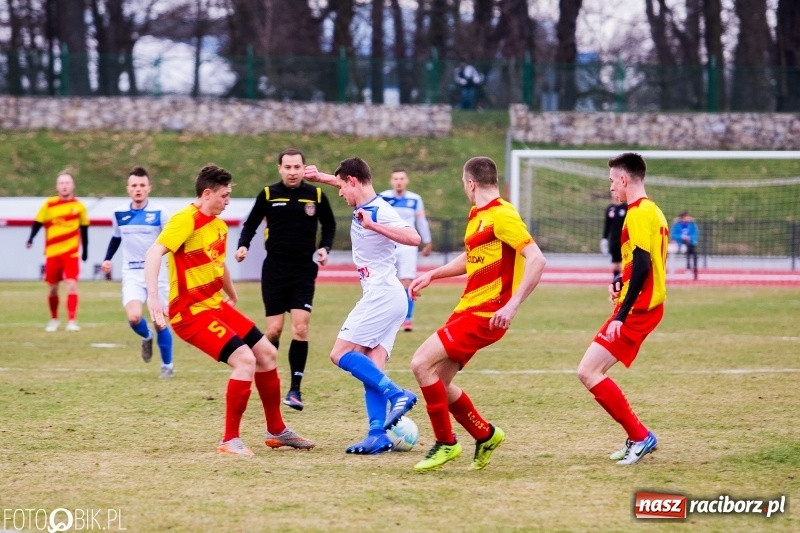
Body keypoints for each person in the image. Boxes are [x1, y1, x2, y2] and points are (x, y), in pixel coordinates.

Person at [144, 164, 314, 456]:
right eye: (223, 195)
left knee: (267, 354)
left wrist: (231, 293)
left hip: (216, 306)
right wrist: (153, 297)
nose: (227, 201)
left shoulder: (219, 225)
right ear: (207, 193)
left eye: (229, 195)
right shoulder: (185, 220)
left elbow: (218, 264)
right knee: (245, 360)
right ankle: (229, 440)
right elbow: (154, 252)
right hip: (190, 313)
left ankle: (277, 430)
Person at [407, 157, 547, 472]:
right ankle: (485, 435)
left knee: (419, 363)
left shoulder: (503, 215)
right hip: (467, 309)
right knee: (439, 382)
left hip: (486, 314)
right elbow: (471, 258)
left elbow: (537, 259)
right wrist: (433, 274)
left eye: (463, 184)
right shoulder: (478, 215)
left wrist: (511, 306)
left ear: (470, 183)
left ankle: (446, 442)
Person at [303, 157, 421, 455]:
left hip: (381, 294)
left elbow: (414, 237)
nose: (340, 193)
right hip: (389, 295)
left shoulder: (378, 211)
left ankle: (397, 394)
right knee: (371, 367)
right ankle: (377, 435)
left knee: (340, 354)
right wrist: (322, 177)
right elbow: (345, 181)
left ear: (353, 181)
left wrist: (375, 227)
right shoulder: (364, 202)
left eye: (342, 187)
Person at [576, 152, 668, 466]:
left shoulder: (638, 213)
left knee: (588, 371)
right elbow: (642, 264)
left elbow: (643, 265)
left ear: (625, 180)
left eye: (613, 181)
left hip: (639, 309)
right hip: (641, 304)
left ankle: (641, 436)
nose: (611, 188)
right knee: (589, 370)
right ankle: (637, 435)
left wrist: (621, 314)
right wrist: (620, 278)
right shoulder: (652, 210)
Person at [235, 148, 337, 411]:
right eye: (287, 167)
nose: (292, 172)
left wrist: (325, 247)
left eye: (297, 167)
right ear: (280, 168)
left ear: (304, 169)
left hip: (303, 269)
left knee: (301, 328)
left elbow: (330, 224)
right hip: (275, 270)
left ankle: (295, 390)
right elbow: (251, 223)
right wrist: (243, 244)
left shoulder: (315, 195)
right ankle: (269, 378)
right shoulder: (268, 194)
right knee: (274, 330)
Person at [101, 166, 175, 379]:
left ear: (149, 188)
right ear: (128, 189)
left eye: (142, 185)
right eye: (134, 185)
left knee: (161, 322)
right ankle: (146, 336)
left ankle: (167, 366)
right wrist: (107, 259)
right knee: (134, 317)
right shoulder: (119, 213)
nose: (138, 189)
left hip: (158, 275)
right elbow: (116, 238)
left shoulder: (161, 214)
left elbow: (171, 242)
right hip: (132, 273)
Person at [26, 171, 89, 332]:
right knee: (53, 288)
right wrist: (31, 238)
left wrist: (86, 250)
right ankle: (54, 319)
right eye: (61, 183)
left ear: (73, 185)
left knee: (72, 285)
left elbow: (84, 230)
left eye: (67, 182)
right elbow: (38, 223)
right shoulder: (49, 204)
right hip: (52, 253)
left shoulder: (79, 207)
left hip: (71, 254)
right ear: (57, 186)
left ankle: (71, 320)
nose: (64, 186)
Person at [379, 168, 432, 332]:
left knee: (407, 281)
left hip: (408, 245)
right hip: (389, 244)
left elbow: (421, 221)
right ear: (391, 181)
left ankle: (407, 319)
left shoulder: (415, 199)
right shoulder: (383, 197)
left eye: (402, 178)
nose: (399, 181)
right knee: (385, 281)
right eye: (396, 179)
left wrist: (427, 241)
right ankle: (387, 318)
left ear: (406, 180)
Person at [601, 194, 626, 281]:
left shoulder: (626, 207)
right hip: (614, 240)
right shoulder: (610, 209)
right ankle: (616, 279)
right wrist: (604, 239)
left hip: (625, 240)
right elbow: (607, 226)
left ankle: (626, 279)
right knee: (615, 262)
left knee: (625, 262)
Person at [670, 210, 699, 280]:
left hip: (690, 242)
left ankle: (694, 272)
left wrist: (690, 237)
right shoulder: (677, 224)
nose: (687, 218)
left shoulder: (692, 224)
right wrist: (681, 237)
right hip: (679, 242)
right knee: (687, 251)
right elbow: (673, 234)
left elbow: (696, 233)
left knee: (694, 253)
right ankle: (687, 268)